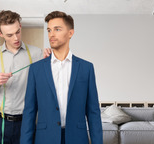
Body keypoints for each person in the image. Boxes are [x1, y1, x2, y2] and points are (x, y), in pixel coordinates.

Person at [20, 11, 103, 144]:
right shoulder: (36, 69)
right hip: (45, 138)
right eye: (49, 30)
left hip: (77, 138)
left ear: (70, 33)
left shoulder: (86, 68)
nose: (51, 34)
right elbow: (29, 111)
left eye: (57, 29)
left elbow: (93, 111)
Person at [0, 10, 43, 144]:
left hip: (26, 121)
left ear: (20, 26)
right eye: (9, 35)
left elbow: (45, 84)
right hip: (0, 122)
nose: (15, 38)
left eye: (17, 32)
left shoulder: (36, 54)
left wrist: (49, 59)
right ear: (1, 34)